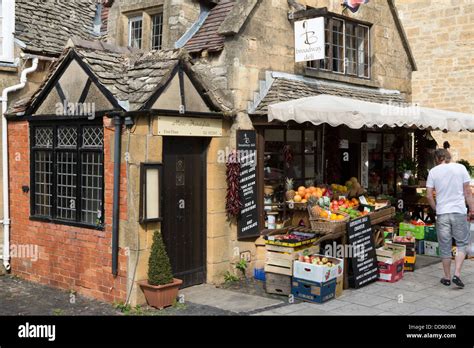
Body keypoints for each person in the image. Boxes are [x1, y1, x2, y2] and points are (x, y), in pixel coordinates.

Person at [426, 149, 474, 288]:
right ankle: (457, 274)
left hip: (443, 213)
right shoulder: (461, 168)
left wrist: (436, 208)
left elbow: (429, 195)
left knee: (445, 246)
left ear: (438, 158)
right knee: (461, 243)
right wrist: (472, 209)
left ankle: (446, 277)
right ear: (448, 157)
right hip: (458, 211)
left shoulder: (433, 172)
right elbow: (468, 192)